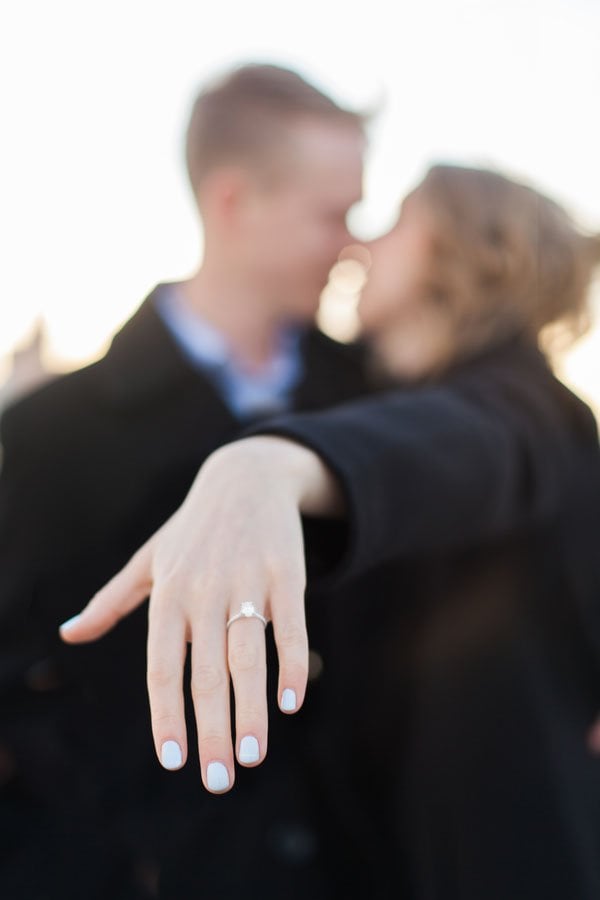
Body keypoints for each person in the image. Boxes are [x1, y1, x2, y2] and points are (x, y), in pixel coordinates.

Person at [65, 165, 600, 898]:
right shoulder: (367, 385)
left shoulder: (530, 404)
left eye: (397, 220)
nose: (362, 245)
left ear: (471, 250)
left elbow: (464, 442)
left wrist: (269, 469)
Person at [0, 64, 369, 899]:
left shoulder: (377, 395)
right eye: (333, 214)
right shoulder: (53, 432)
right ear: (234, 201)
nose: (354, 243)